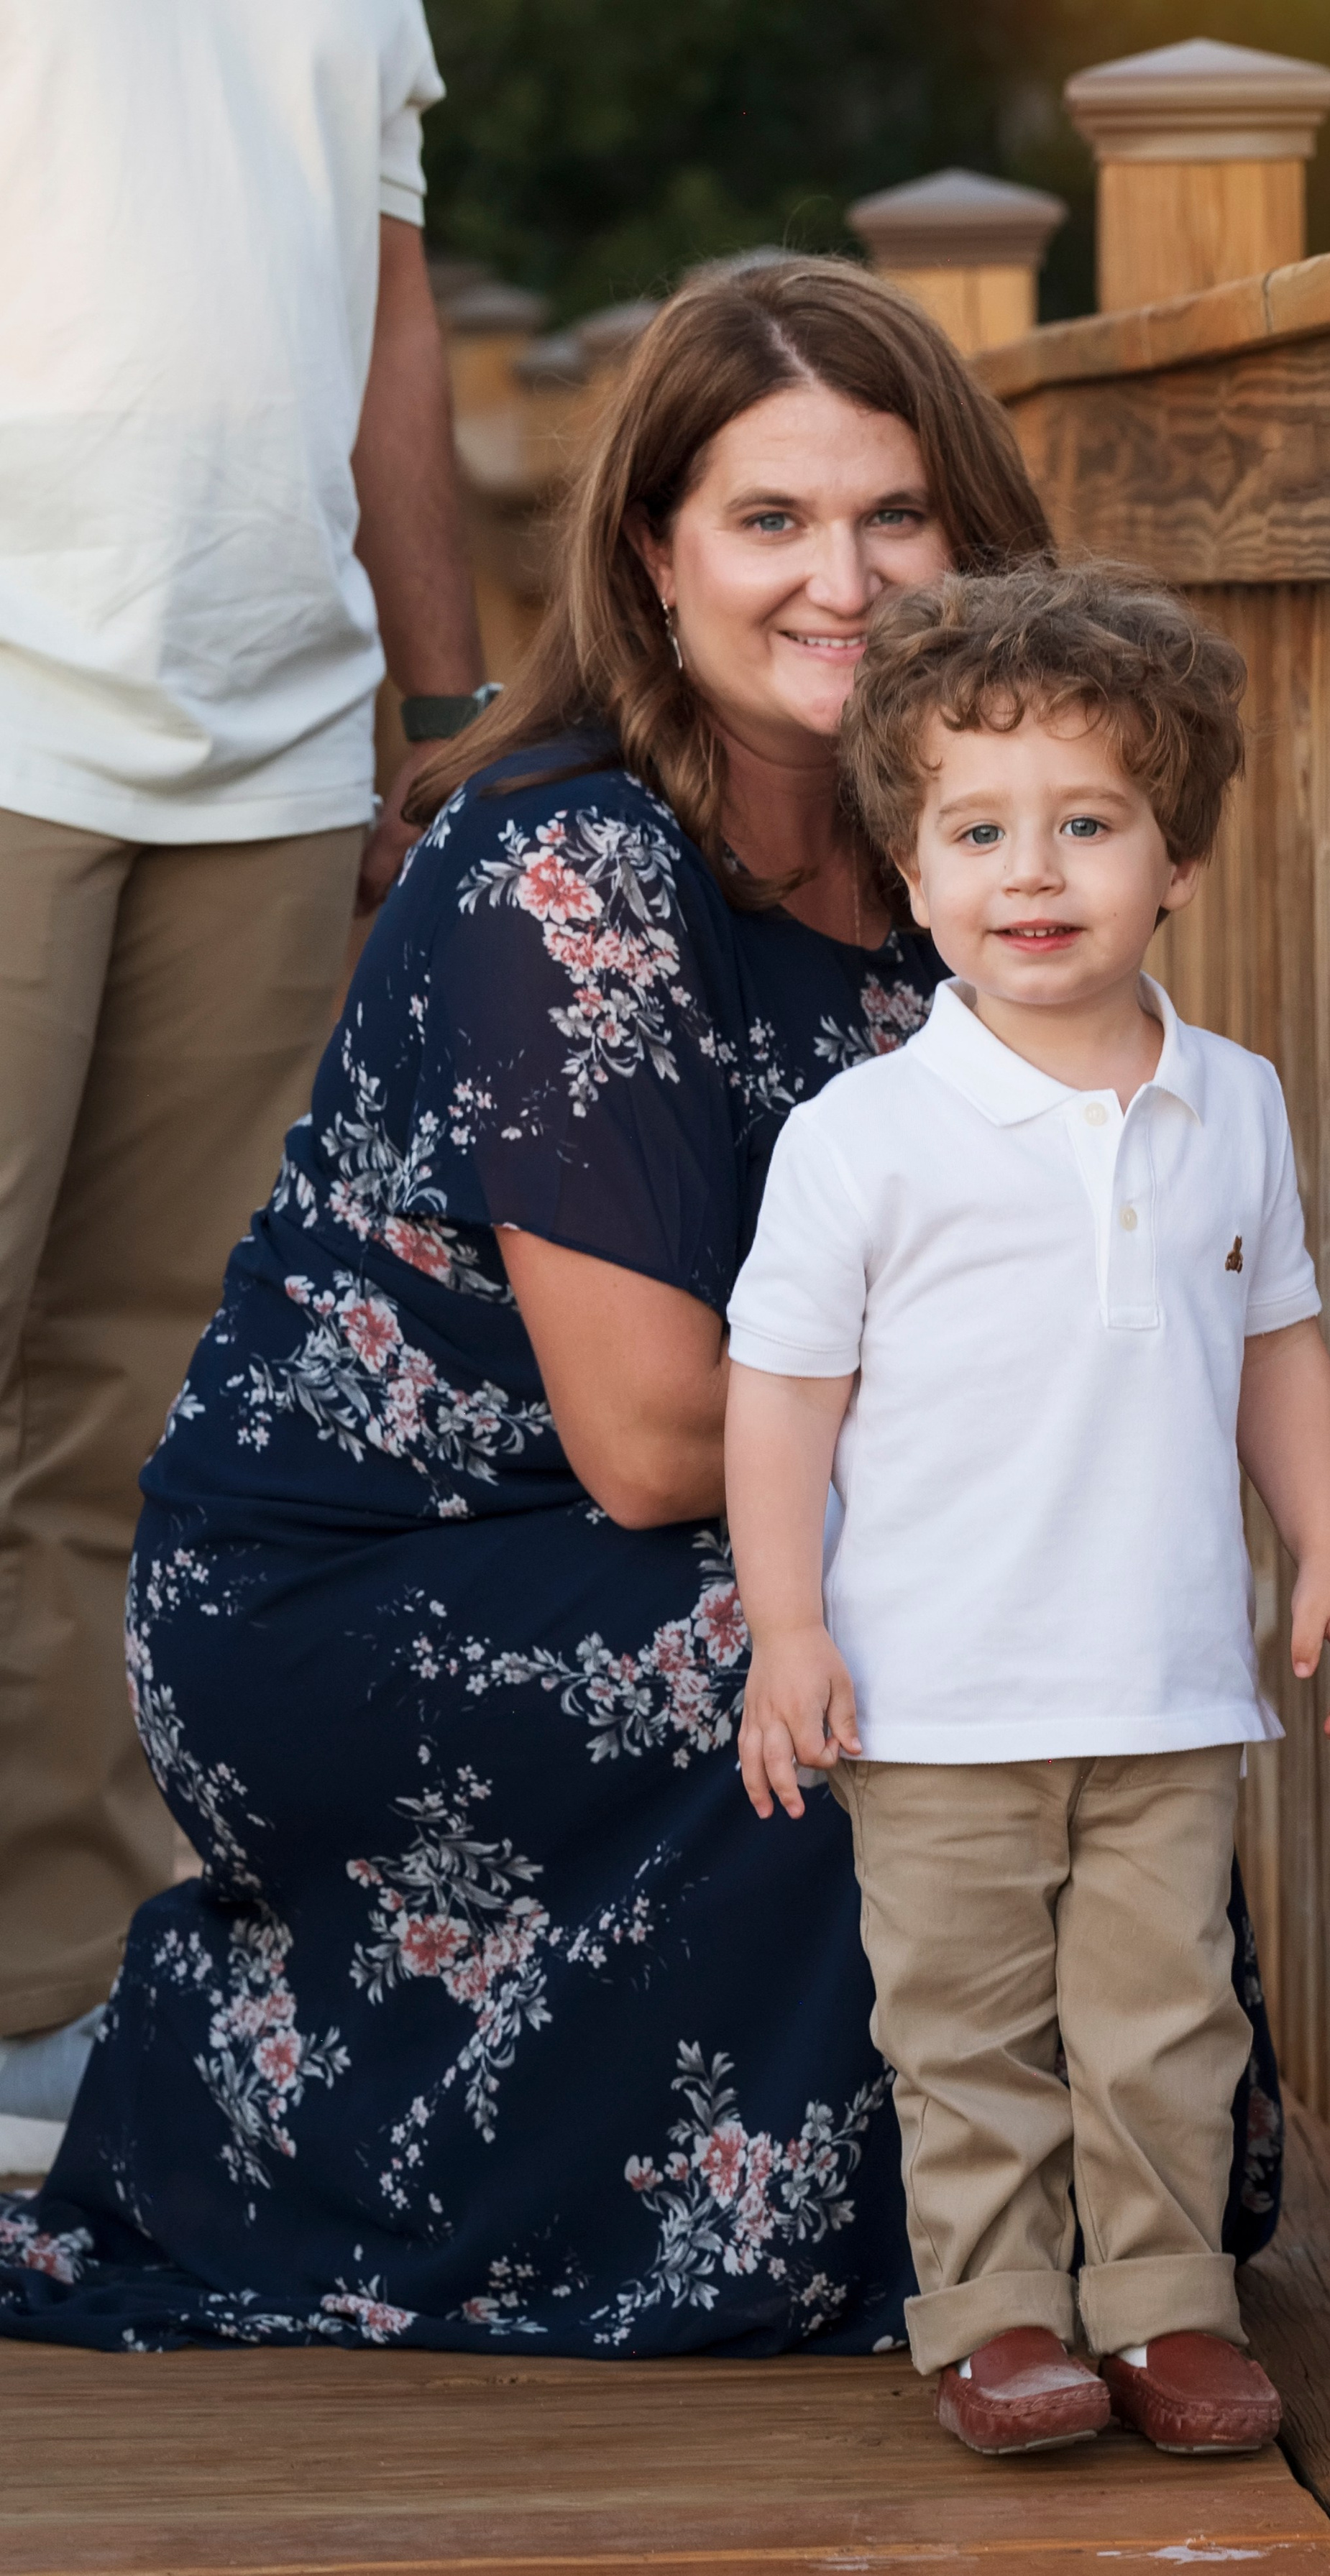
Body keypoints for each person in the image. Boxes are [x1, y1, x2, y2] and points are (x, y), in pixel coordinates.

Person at [0, 262, 1283, 2354]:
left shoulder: (985, 871)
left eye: (896, 519)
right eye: (769, 521)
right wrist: (1066, 1450)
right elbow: (653, 1438)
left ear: (976, 547)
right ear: (655, 561)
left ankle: (1084, 2260)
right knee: (896, 1668)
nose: (840, 580)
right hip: (388, 1575)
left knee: (1060, 1662)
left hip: (751, 1514)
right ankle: (559, 2196)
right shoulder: (565, 871)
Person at [725, 562, 1330, 2451]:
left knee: (1167, 2029)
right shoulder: (866, 1140)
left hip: (1166, 1686)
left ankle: (1170, 2311)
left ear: (1175, 860)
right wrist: (791, 1628)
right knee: (966, 2033)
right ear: (911, 874)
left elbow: (1278, 1338)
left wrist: (1326, 1547)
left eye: (1088, 825)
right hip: (937, 1702)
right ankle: (1000, 2316)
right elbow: (783, 1404)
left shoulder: (1232, 1101)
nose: (1035, 871)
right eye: (981, 831)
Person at [0, 0, 487, 2122]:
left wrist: (449, 695)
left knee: (133, 1404)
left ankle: (39, 1998)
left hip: (272, 750)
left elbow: (384, 329)